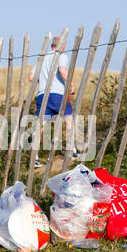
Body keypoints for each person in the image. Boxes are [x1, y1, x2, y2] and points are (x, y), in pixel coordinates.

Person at [29, 36, 78, 168]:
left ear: (51, 45)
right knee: (69, 120)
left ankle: (35, 157)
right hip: (58, 94)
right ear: (61, 46)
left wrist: (44, 83)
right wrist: (71, 85)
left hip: (42, 95)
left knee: (41, 125)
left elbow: (32, 77)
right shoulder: (61, 56)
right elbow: (62, 70)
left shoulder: (42, 58)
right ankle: (72, 152)